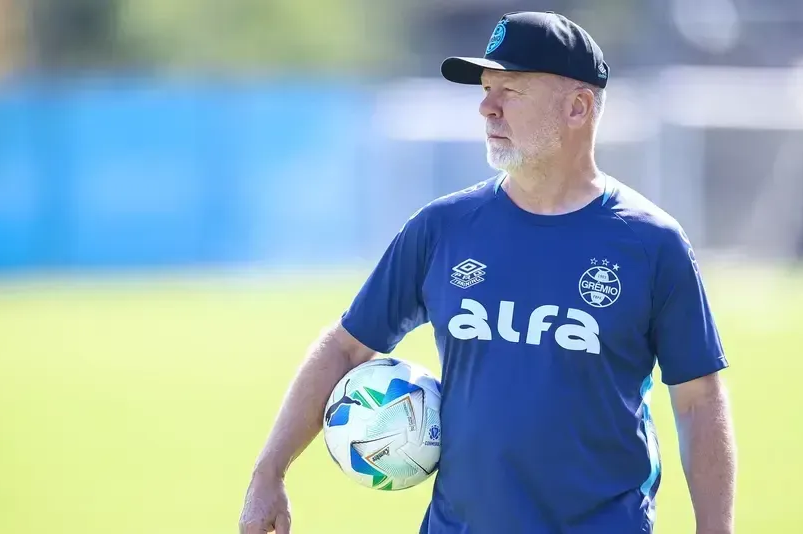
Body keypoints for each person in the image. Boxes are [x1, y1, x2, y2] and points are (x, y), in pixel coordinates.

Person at [239, 11, 736, 534]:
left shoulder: (652, 244)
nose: (486, 106)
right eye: (486, 88)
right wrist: (268, 472)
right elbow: (344, 347)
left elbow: (699, 401)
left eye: (511, 89)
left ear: (577, 107)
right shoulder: (441, 229)